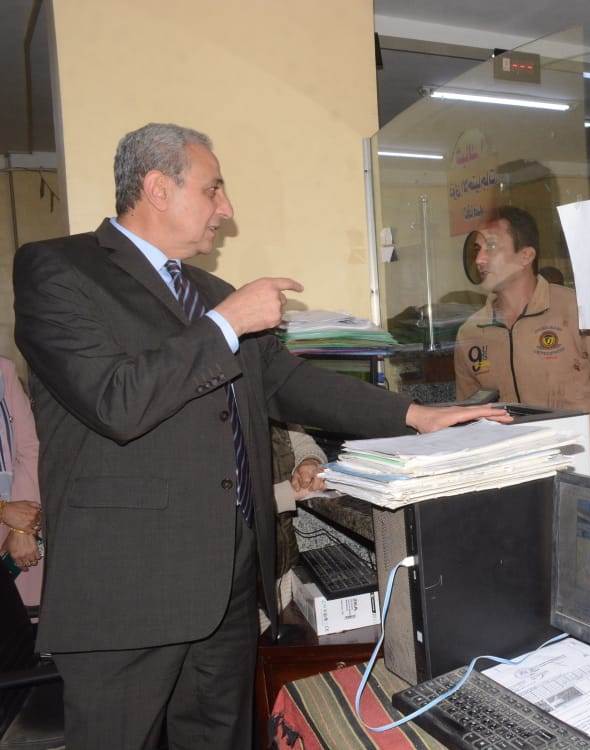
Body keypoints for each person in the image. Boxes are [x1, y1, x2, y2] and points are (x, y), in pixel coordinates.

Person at [12, 122, 507, 750]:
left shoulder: (210, 292)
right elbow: (115, 401)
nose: (226, 209)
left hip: (227, 585)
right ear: (158, 188)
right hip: (127, 593)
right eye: (212, 189)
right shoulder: (58, 269)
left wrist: (415, 415)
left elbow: (289, 383)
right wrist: (225, 323)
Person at [454, 206, 590, 478]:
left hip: (585, 473)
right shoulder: (471, 332)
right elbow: (469, 414)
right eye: (477, 249)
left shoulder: (577, 310)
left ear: (526, 256)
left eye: (491, 247)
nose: (480, 259)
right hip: (516, 476)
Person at [0, 356, 42, 606]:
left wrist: (21, 528)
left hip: (15, 537)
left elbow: (30, 449)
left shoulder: (3, 370)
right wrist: (4, 511)